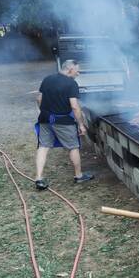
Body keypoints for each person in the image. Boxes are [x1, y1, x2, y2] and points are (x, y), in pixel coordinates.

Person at [34, 59, 94, 190]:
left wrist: (44, 111)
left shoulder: (47, 79)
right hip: (63, 121)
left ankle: (38, 178)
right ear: (70, 69)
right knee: (73, 147)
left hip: (45, 119)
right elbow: (75, 106)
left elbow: (39, 99)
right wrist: (81, 124)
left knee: (43, 146)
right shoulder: (71, 83)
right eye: (77, 71)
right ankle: (78, 176)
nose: (78, 74)